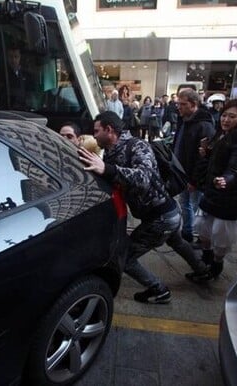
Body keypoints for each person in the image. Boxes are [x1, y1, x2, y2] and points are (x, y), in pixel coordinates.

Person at [78, 111, 210, 304]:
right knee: (177, 241)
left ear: (109, 130)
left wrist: (107, 169)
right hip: (164, 215)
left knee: (124, 257)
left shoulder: (137, 145)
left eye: (96, 131)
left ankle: (158, 289)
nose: (94, 135)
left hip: (162, 217)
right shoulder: (112, 151)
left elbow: (144, 178)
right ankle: (202, 270)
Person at [187, 99, 237, 281]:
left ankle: (214, 268)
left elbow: (235, 167)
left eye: (232, 116)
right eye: (224, 115)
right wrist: (206, 153)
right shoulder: (221, 135)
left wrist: (226, 180)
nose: (226, 120)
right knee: (205, 230)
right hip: (212, 190)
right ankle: (205, 264)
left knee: (219, 234)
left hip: (229, 194)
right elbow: (213, 163)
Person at [172, 88, 215, 243]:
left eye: (183, 104)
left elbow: (203, 158)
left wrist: (194, 180)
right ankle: (187, 231)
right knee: (185, 204)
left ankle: (202, 238)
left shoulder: (204, 125)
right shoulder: (184, 120)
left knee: (198, 207)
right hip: (182, 173)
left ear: (194, 104)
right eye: (178, 104)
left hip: (193, 177)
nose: (179, 107)